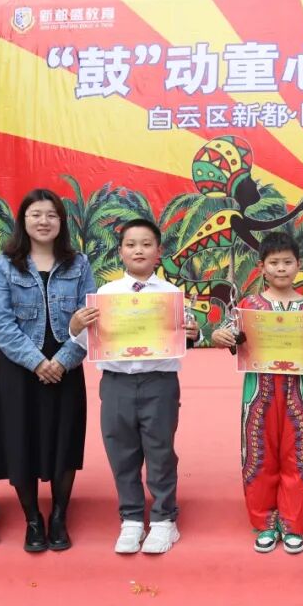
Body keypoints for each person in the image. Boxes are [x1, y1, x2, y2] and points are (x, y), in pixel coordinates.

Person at [68, 219, 200, 555]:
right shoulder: (105, 295)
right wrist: (76, 325)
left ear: (159, 251)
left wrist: (193, 333)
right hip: (116, 383)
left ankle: (164, 519)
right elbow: (86, 341)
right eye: (131, 244)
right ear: (121, 252)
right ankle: (131, 518)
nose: (138, 250)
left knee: (160, 451)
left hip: (159, 383)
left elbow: (185, 337)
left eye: (146, 244)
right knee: (121, 451)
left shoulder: (172, 295)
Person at [213, 232, 303, 554]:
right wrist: (220, 336)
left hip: (299, 391)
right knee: (258, 455)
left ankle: (292, 523)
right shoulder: (248, 306)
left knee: (296, 455)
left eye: (287, 262)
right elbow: (227, 333)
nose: (281, 268)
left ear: (299, 265)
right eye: (274, 263)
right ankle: (264, 523)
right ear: (262, 267)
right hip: (259, 390)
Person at [0, 189, 96, 553]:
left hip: (67, 365)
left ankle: (60, 515)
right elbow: (1, 324)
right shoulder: (5, 264)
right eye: (36, 214)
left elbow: (92, 317)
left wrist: (62, 360)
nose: (44, 221)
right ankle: (33, 519)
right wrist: (36, 362)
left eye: (51, 215)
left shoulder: (79, 264)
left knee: (65, 440)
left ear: (61, 222)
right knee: (22, 440)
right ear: (23, 220)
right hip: (20, 368)